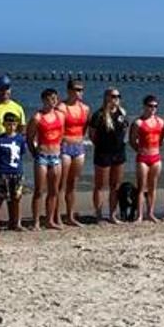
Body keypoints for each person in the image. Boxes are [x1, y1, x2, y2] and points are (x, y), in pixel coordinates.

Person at [28, 88, 65, 229]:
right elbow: (29, 138)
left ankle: (50, 220)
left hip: (56, 156)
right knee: (39, 190)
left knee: (54, 190)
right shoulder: (37, 117)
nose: (54, 101)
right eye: (51, 98)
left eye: (55, 98)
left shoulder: (60, 115)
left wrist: (59, 149)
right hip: (42, 156)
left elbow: (61, 134)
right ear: (44, 100)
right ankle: (36, 221)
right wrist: (35, 153)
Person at [90, 88, 129, 223]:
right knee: (100, 185)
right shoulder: (99, 115)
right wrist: (102, 146)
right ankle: (99, 215)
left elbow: (124, 130)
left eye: (118, 96)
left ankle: (113, 214)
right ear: (106, 97)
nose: (116, 98)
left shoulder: (122, 113)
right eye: (113, 96)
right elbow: (92, 135)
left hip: (119, 153)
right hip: (103, 153)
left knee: (115, 185)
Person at [58, 79, 91, 227]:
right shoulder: (62, 107)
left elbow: (85, 128)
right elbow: (58, 128)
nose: (79, 92)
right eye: (77, 89)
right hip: (65, 146)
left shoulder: (85, 108)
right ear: (69, 91)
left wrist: (80, 140)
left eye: (81, 90)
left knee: (73, 184)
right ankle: (57, 216)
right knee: (62, 183)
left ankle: (70, 215)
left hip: (78, 146)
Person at [0, 112, 27, 232]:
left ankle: (17, 223)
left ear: (17, 125)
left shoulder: (20, 139)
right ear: (4, 124)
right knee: (0, 199)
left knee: (17, 199)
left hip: (17, 172)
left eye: (13, 124)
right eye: (8, 124)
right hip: (2, 172)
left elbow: (22, 153)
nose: (11, 127)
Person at [130, 95, 164, 222]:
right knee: (141, 187)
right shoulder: (138, 123)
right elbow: (132, 140)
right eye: (150, 106)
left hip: (156, 157)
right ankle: (139, 215)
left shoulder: (160, 122)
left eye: (155, 106)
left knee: (153, 187)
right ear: (145, 106)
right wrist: (140, 151)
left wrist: (155, 149)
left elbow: (161, 139)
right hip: (143, 157)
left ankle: (150, 213)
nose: (153, 108)